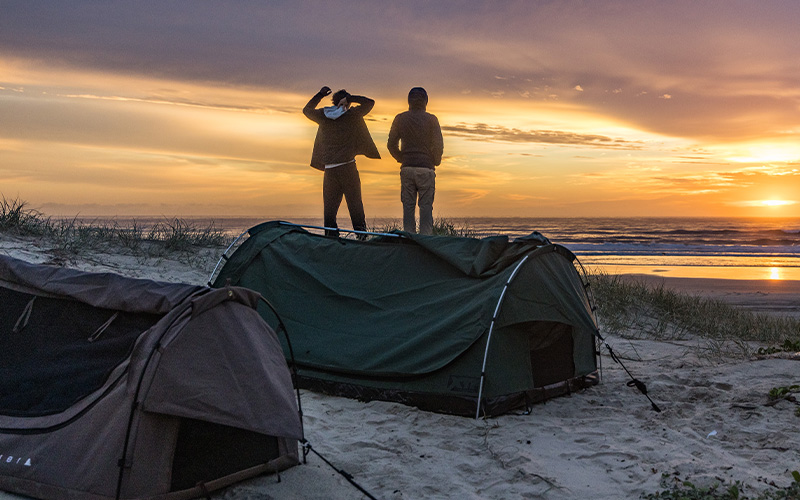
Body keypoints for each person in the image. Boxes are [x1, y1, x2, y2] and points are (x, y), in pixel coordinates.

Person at [303, 86, 380, 237]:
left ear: (333, 101)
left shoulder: (323, 115)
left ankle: (331, 240)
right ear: (346, 103)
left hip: (330, 170)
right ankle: (361, 236)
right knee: (355, 204)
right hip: (348, 168)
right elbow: (370, 103)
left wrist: (319, 95)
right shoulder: (351, 115)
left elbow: (306, 110)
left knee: (329, 210)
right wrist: (351, 99)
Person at [387, 87, 444, 235]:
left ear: (409, 101)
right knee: (425, 207)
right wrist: (435, 161)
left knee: (408, 207)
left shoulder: (400, 118)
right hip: (426, 169)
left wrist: (402, 158)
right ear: (425, 101)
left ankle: (409, 240)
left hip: (407, 168)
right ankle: (425, 241)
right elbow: (438, 144)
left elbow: (391, 144)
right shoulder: (432, 119)